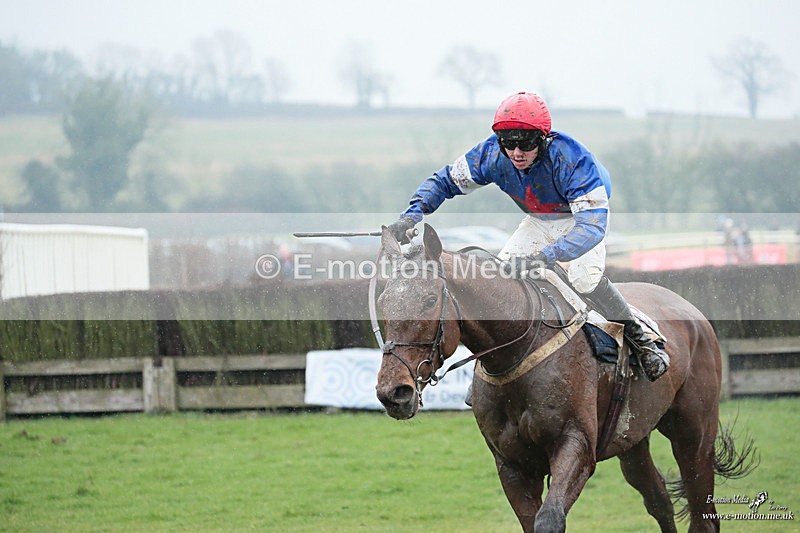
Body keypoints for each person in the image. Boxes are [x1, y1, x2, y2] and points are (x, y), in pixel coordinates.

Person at [386, 91, 669, 381]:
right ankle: (492, 371)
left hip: (580, 220)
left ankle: (640, 338)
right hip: (539, 220)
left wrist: (545, 257)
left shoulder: (573, 160)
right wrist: (413, 214)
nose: (516, 153)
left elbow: (591, 228)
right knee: (500, 283)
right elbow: (445, 181)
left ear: (543, 139)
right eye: (508, 143)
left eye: (526, 143)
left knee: (584, 279)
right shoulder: (491, 155)